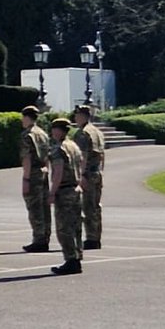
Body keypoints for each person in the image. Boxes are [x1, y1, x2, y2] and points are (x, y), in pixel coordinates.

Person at [49, 118, 85, 275]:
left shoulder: (59, 148)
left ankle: (71, 259)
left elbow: (58, 171)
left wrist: (52, 192)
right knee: (75, 226)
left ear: (58, 130)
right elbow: (81, 163)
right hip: (75, 189)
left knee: (64, 227)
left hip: (64, 190)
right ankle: (76, 257)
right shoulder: (73, 146)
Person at [20, 106, 53, 253]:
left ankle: (38, 238)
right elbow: (47, 156)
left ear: (27, 117)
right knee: (44, 207)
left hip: (33, 172)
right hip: (43, 171)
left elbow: (26, 158)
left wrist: (26, 179)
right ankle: (45, 236)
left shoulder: (28, 135)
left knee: (34, 208)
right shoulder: (43, 134)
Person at [73, 105, 105, 250]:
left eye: (77, 115)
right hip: (97, 172)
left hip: (88, 174)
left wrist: (81, 176)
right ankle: (96, 237)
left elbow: (83, 156)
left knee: (88, 207)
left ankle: (91, 238)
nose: (75, 118)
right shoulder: (97, 132)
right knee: (96, 206)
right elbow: (102, 155)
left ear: (82, 116)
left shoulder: (83, 133)